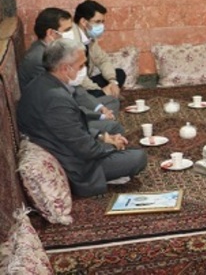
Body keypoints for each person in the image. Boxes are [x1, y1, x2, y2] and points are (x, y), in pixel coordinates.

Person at [17, 38, 147, 197]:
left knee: (113, 132)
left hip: (64, 146)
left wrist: (103, 137)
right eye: (81, 66)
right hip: (73, 165)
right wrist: (111, 146)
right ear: (65, 68)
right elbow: (84, 148)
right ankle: (106, 175)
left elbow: (73, 130)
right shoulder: (56, 99)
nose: (84, 70)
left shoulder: (44, 82)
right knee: (138, 157)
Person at [18, 8, 124, 135]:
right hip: (54, 118)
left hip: (68, 104)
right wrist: (98, 115)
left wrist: (99, 108)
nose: (72, 33)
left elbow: (74, 87)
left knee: (111, 102)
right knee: (114, 127)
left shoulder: (54, 50)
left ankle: (99, 131)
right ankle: (98, 136)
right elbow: (63, 100)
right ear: (51, 33)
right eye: (67, 30)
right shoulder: (39, 59)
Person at [71, 0, 126, 98]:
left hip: (87, 81)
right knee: (88, 93)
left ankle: (104, 96)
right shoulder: (71, 39)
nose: (101, 26)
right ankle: (102, 97)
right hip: (76, 85)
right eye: (97, 22)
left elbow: (102, 60)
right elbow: (78, 76)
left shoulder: (90, 37)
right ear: (83, 22)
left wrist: (112, 82)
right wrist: (100, 90)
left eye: (102, 22)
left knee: (119, 74)